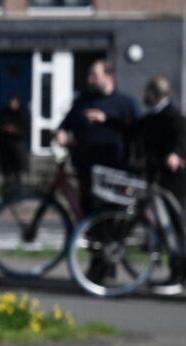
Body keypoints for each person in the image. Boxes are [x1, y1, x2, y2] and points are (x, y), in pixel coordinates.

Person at [57, 60, 141, 282]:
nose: (89, 79)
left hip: (114, 171)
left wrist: (107, 120)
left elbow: (138, 131)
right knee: (90, 223)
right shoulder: (83, 101)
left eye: (94, 74)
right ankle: (97, 267)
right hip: (86, 170)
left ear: (108, 76)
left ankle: (107, 268)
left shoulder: (125, 103)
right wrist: (62, 133)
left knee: (109, 221)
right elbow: (66, 122)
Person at [134, 76, 186, 292]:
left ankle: (179, 276)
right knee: (167, 229)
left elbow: (182, 138)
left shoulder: (172, 117)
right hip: (159, 178)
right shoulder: (152, 117)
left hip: (172, 181)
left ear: (154, 93)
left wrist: (175, 154)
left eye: (147, 91)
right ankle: (175, 274)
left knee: (174, 227)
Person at [0, 95, 31, 195]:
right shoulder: (4, 113)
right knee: (7, 173)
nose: (12, 105)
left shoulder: (22, 113)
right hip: (5, 149)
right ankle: (7, 193)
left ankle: (18, 191)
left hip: (18, 148)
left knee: (17, 173)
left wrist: (15, 130)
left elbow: (25, 129)